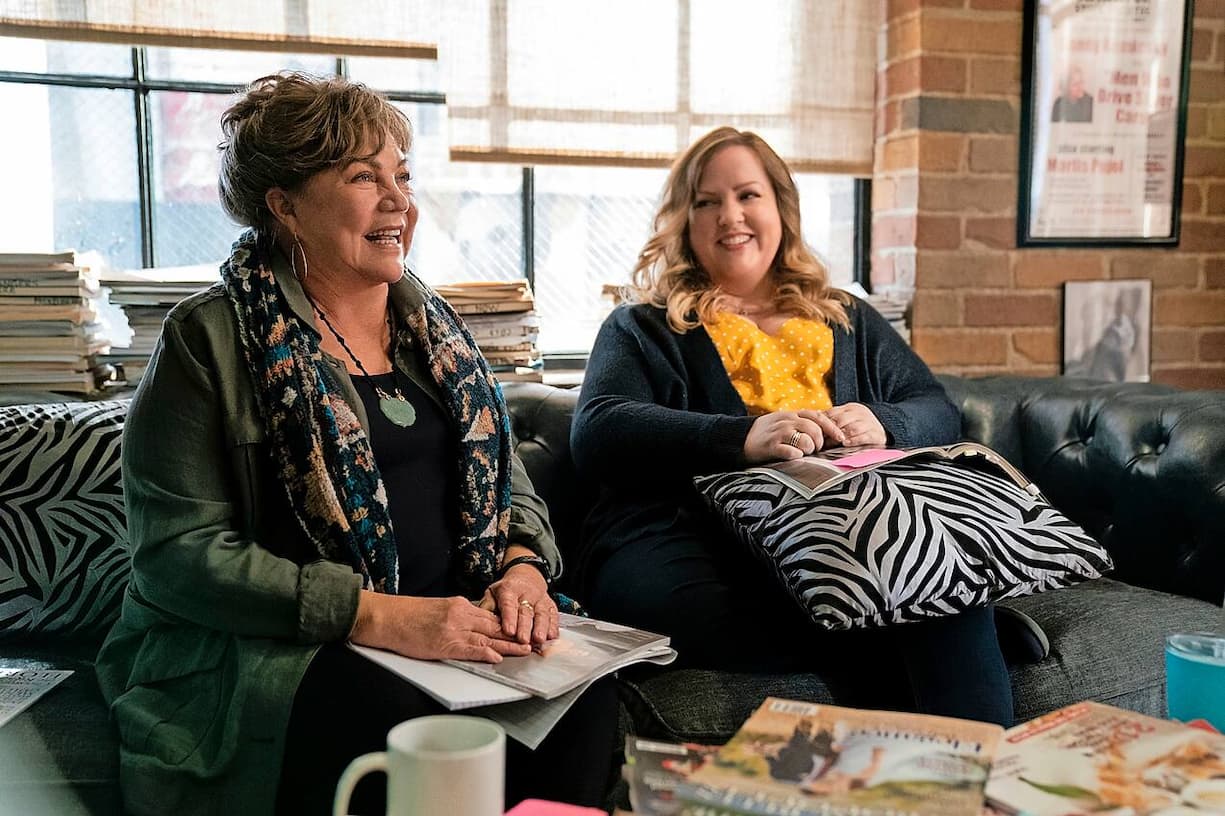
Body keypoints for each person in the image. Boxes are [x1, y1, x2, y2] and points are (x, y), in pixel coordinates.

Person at [94, 72, 617, 816]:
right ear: (285, 207)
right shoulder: (205, 339)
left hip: (457, 628)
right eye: (363, 177)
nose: (399, 199)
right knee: (394, 722)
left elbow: (507, 488)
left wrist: (524, 568)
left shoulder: (440, 338)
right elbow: (179, 556)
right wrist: (377, 616)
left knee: (586, 701)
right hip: (287, 649)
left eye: (401, 176)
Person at [570, 126, 1014, 727]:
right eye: (707, 201)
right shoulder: (641, 326)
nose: (731, 215)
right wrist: (741, 438)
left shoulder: (845, 316)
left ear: (780, 206)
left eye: (748, 195)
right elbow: (599, 429)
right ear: (683, 219)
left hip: (847, 534)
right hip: (690, 543)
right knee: (932, 600)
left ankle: (955, 756)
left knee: (920, 577)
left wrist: (881, 421)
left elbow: (936, 407)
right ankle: (954, 636)